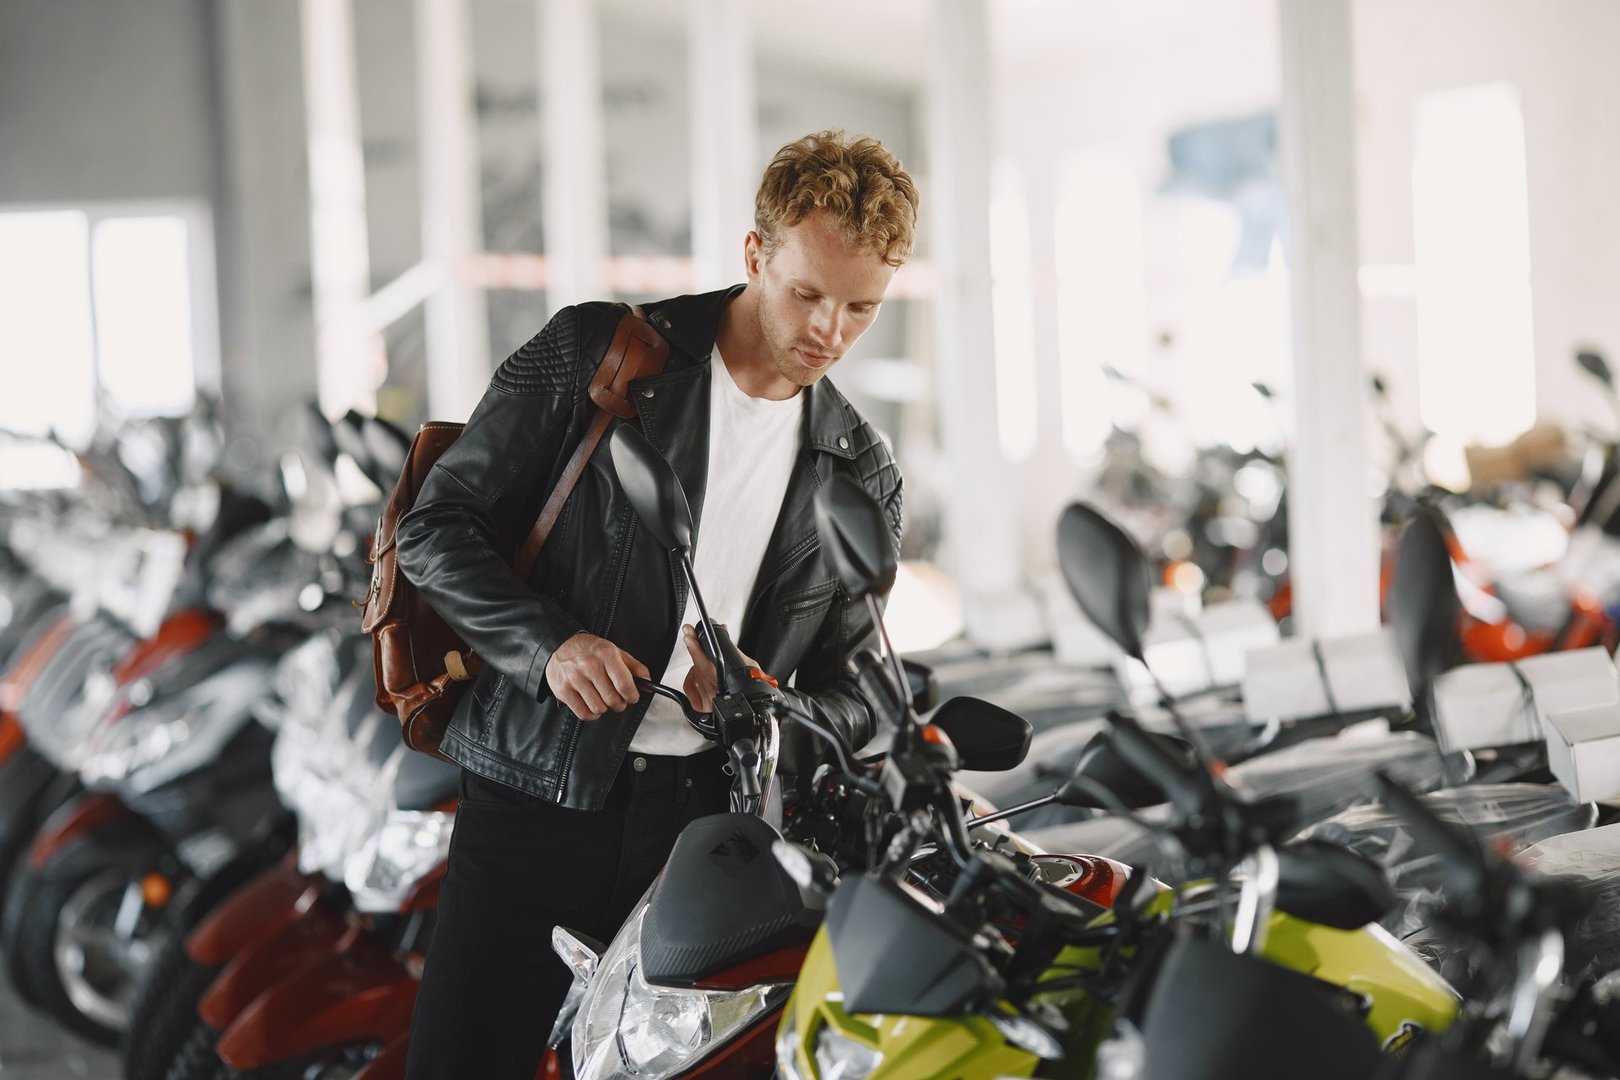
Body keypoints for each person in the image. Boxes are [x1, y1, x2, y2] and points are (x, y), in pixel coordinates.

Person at [395, 129, 919, 1079]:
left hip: (704, 833)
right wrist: (549, 646)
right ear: (755, 254)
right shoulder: (607, 355)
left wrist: (771, 701)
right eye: (807, 293)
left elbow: (862, 691)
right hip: (535, 793)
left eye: (861, 309)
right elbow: (436, 528)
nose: (828, 330)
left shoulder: (860, 470)